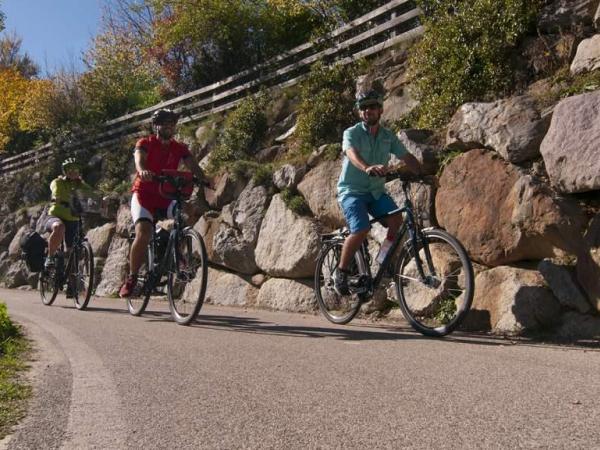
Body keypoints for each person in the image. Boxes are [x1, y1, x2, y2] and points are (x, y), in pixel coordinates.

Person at [334, 89, 422, 295]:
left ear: (380, 110)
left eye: (372, 107)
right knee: (361, 228)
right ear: (359, 113)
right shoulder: (351, 133)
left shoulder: (387, 136)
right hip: (352, 191)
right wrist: (366, 167)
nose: (368, 111)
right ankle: (342, 271)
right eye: (363, 108)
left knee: (396, 221)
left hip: (375, 192)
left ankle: (382, 262)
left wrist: (420, 173)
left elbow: (406, 156)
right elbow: (351, 153)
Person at [119, 108, 205, 298]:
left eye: (172, 124)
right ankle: (132, 278)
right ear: (156, 126)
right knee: (143, 233)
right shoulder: (145, 142)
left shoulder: (179, 147)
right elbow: (139, 159)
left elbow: (193, 165)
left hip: (166, 196)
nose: (169, 127)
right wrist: (142, 170)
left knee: (186, 211)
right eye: (165, 123)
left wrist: (204, 178)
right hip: (144, 195)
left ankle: (177, 252)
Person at [44, 157, 94, 270]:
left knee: (73, 252)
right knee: (59, 227)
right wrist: (56, 197)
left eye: (76, 169)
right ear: (65, 171)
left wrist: (101, 199)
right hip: (55, 216)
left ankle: (72, 283)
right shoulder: (58, 182)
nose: (73, 172)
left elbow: (92, 193)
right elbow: (54, 189)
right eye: (69, 169)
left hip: (73, 219)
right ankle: (50, 257)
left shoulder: (81, 185)